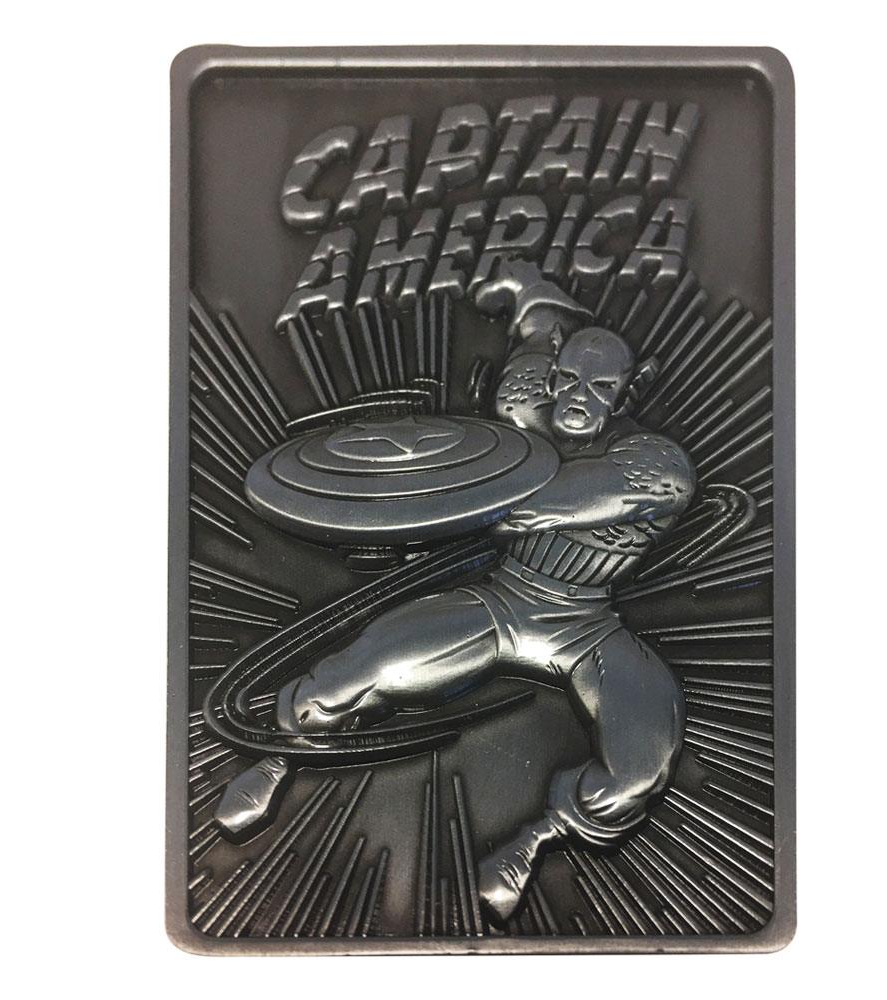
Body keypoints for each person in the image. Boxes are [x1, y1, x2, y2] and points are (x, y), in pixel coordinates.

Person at [275, 258, 696, 922]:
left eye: (602, 387)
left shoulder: (659, 465)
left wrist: (468, 489)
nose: (580, 397)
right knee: (356, 672)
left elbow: (555, 499)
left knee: (640, 770)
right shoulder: (525, 404)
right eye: (569, 379)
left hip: (589, 628)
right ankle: (279, 758)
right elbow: (537, 339)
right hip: (503, 601)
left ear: (629, 391)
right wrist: (531, 292)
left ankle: (535, 840)